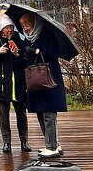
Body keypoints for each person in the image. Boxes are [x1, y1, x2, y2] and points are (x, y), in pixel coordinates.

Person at [18, 12, 67, 159]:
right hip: (35, 80)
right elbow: (26, 57)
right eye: (23, 26)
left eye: (27, 25)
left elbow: (53, 52)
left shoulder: (47, 34)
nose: (25, 28)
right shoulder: (28, 39)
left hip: (48, 78)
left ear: (34, 23)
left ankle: (51, 146)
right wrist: (24, 52)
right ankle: (53, 143)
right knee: (40, 112)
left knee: (48, 112)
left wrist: (37, 50)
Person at [0, 14, 31, 154]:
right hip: (2, 83)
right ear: (1, 29)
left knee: (21, 113)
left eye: (11, 27)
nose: (9, 30)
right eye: (6, 28)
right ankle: (6, 142)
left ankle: (24, 141)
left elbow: (26, 60)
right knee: (4, 114)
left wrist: (18, 54)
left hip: (18, 83)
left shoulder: (19, 40)